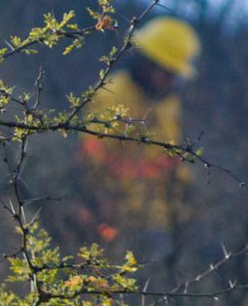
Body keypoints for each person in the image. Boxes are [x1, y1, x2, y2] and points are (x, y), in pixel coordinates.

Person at [80, 16, 200, 238]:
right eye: (157, 68)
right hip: (119, 217)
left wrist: (187, 200)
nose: (160, 78)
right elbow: (92, 159)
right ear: (143, 59)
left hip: (162, 219)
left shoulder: (169, 103)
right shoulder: (113, 94)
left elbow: (170, 160)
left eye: (169, 73)